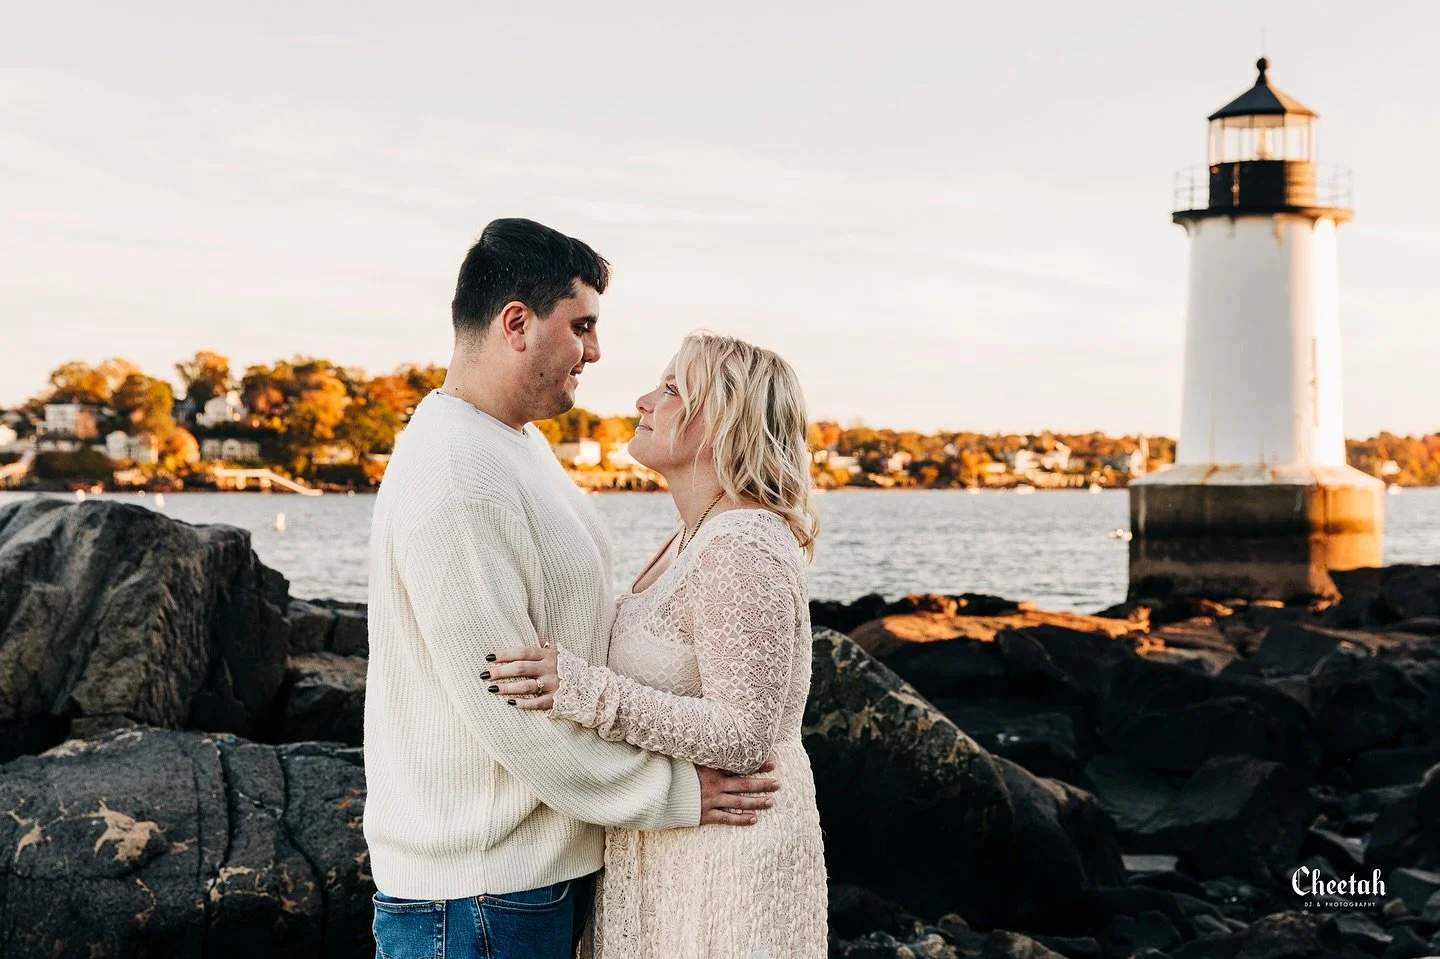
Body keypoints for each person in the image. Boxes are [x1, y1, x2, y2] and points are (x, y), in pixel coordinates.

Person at [363, 220, 780, 959]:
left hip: (527, 877)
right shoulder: (458, 472)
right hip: (480, 892)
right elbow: (511, 709)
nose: (596, 351)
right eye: (582, 325)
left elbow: (577, 642)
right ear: (517, 323)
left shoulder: (514, 443)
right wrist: (679, 792)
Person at [488, 331, 828, 958]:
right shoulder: (692, 536)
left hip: (727, 864)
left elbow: (745, 734)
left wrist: (580, 690)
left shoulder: (743, 546)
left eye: (671, 389)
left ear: (724, 421)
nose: (643, 400)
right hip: (673, 842)